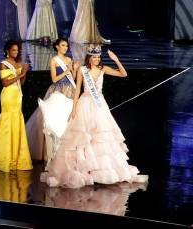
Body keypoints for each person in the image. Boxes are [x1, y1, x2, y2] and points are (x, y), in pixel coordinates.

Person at [43, 48, 148, 188]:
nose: (96, 60)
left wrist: (115, 59)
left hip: (100, 106)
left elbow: (123, 74)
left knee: (101, 135)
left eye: (98, 57)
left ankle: (101, 170)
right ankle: (86, 168)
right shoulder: (82, 70)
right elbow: (78, 90)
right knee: (84, 136)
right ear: (89, 58)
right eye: (94, 57)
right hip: (85, 103)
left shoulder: (103, 68)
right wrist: (74, 108)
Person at [25, 37, 77, 162]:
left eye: (66, 46)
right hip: (58, 90)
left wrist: (73, 69)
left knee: (70, 118)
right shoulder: (54, 60)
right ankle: (55, 149)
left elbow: (73, 78)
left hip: (70, 90)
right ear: (57, 47)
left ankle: (70, 148)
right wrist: (67, 71)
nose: (65, 48)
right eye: (63, 45)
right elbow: (54, 79)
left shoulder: (69, 59)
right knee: (57, 118)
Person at [0, 40, 33, 172]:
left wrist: (24, 72)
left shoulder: (17, 63)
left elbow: (22, 82)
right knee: (7, 122)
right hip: (8, 96)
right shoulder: (3, 64)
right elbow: (5, 83)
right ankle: (4, 158)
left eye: (17, 50)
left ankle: (15, 157)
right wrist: (22, 74)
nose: (16, 52)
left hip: (17, 95)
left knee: (16, 122)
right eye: (13, 50)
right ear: (8, 50)